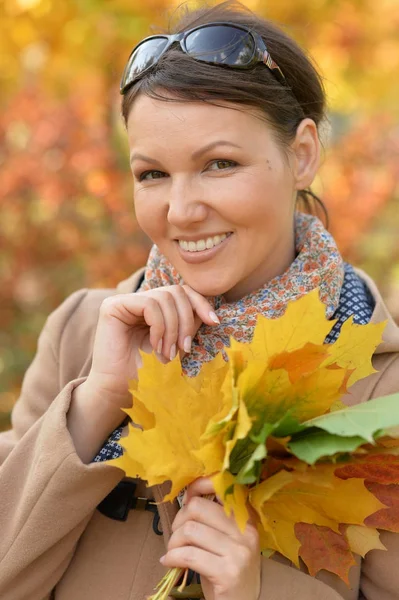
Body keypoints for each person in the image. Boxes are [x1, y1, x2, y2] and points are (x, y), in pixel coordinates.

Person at [1, 1, 399, 599]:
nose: (181, 211)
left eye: (219, 164)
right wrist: (98, 402)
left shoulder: (381, 392)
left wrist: (254, 591)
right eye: (152, 174)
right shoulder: (80, 336)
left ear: (302, 154)